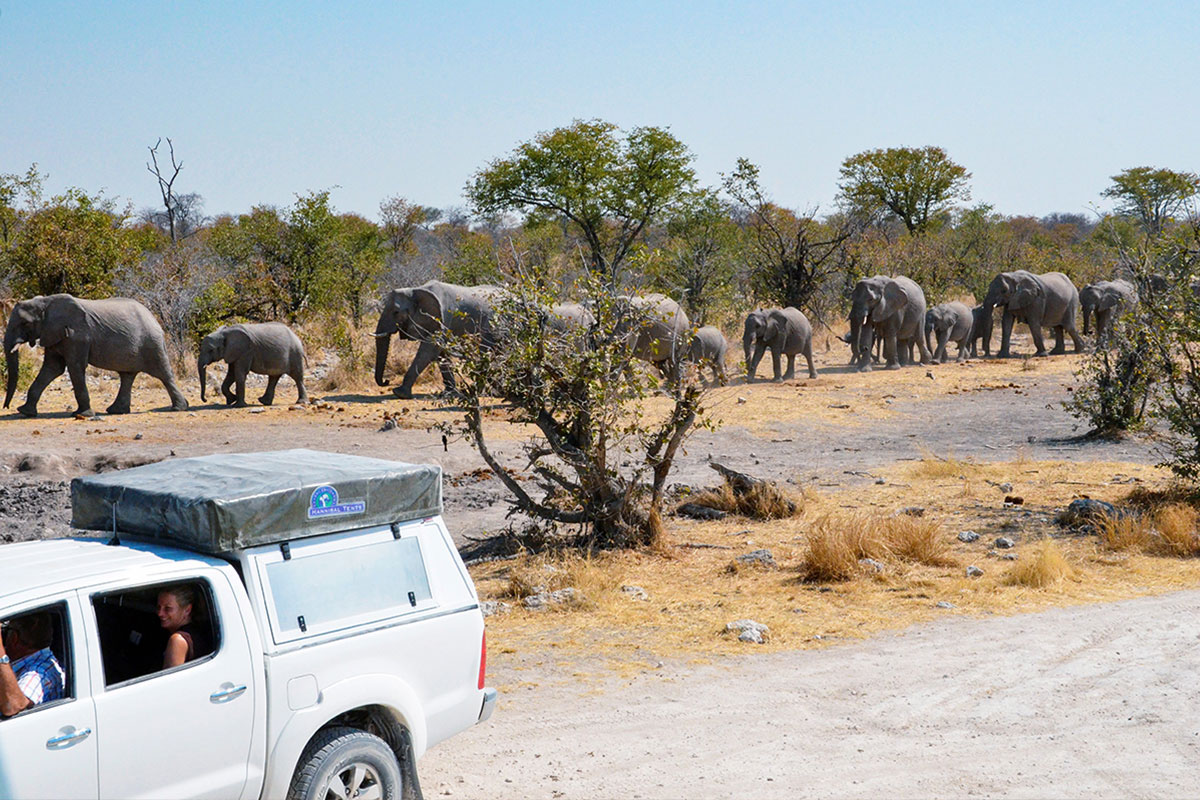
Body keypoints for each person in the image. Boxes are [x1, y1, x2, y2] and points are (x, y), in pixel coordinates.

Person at [0, 611, 66, 717]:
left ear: (14, 638)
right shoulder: (40, 661)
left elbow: (13, 706)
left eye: (7, 631)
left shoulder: (39, 671)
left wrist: (1, 655)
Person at [157, 585, 212, 668]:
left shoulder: (177, 640)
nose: (160, 613)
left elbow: (170, 679)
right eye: (159, 607)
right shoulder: (196, 630)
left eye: (168, 608)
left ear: (187, 610)